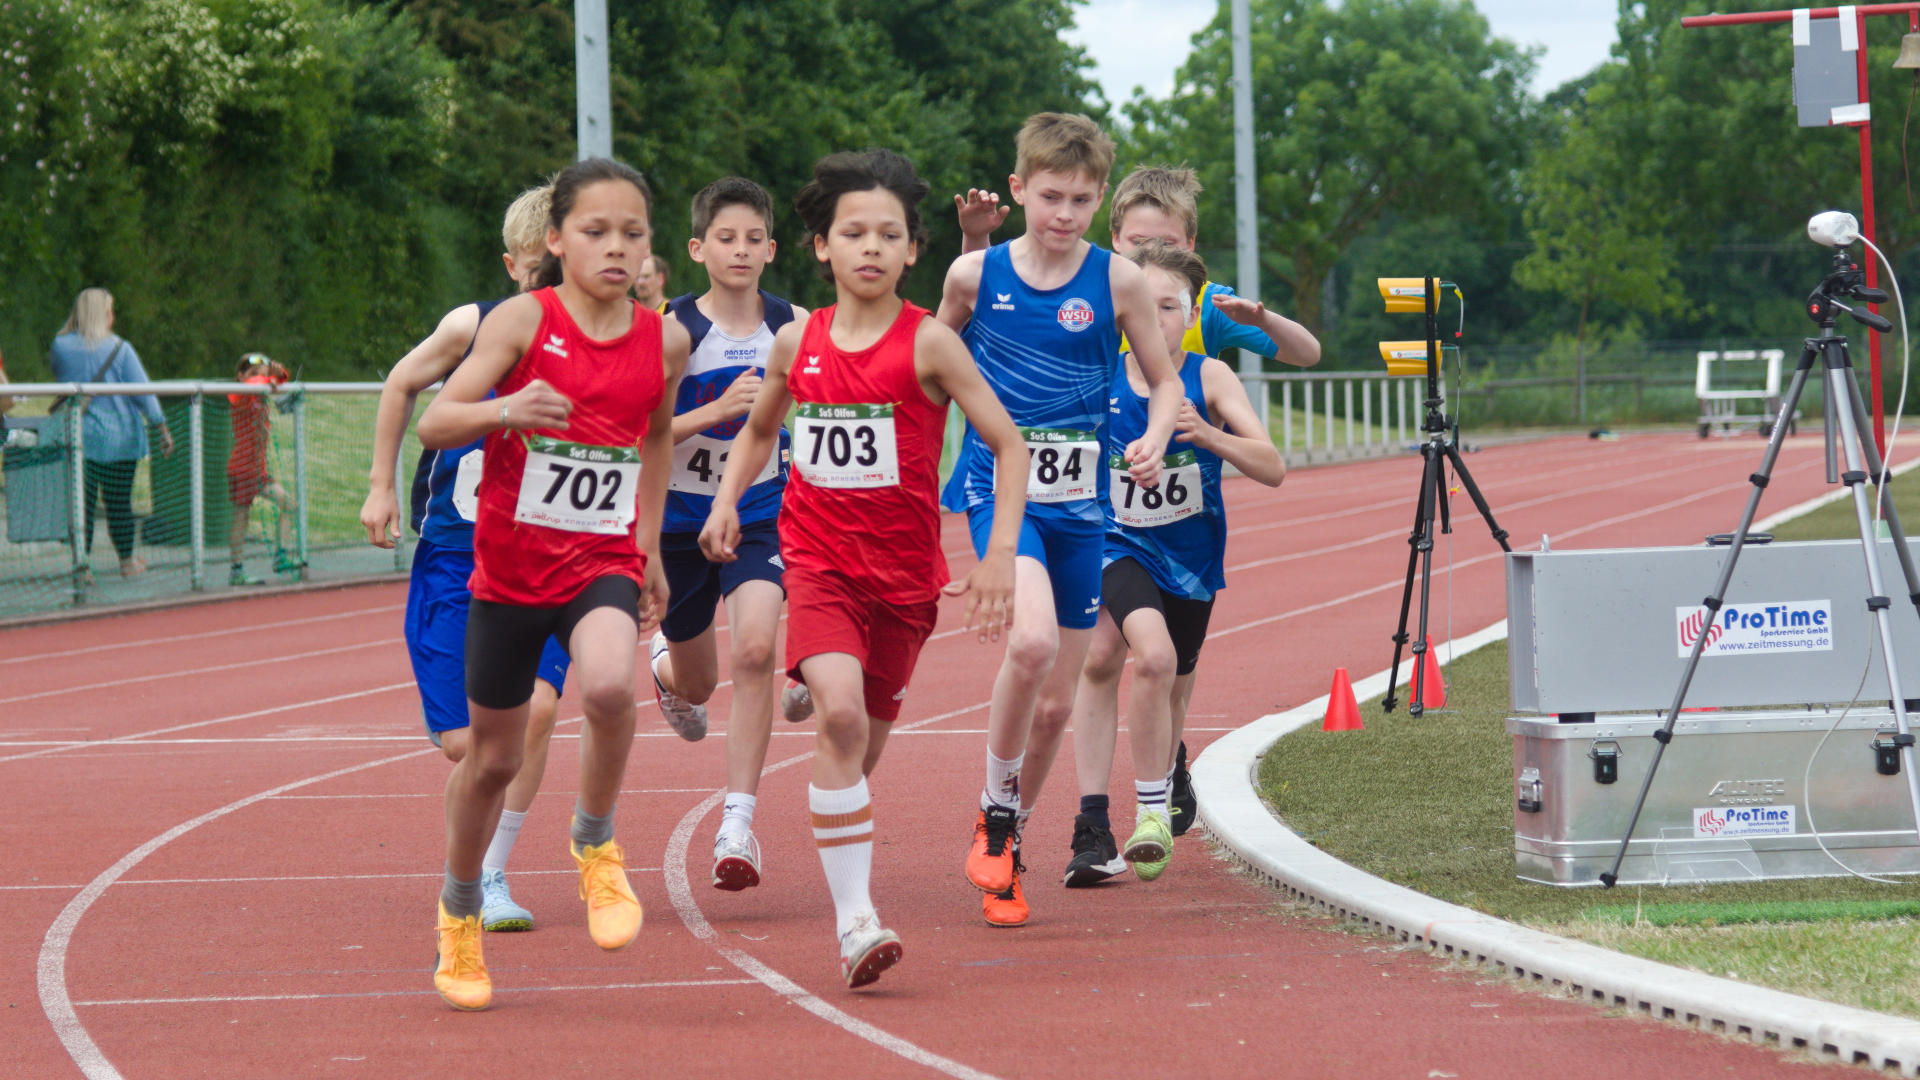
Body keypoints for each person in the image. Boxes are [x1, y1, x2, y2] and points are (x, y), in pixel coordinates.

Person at [700, 148, 1024, 988]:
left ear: (914, 250)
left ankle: (832, 803)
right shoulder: (794, 340)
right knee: (840, 718)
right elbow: (763, 430)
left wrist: (995, 558)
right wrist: (728, 499)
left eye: (889, 234)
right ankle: (855, 923)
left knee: (859, 746)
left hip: (906, 583)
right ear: (820, 246)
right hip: (815, 564)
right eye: (854, 233)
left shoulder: (932, 346)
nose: (871, 247)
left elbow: (1009, 444)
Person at [959, 163, 1318, 837]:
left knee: (1171, 674)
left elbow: (1303, 354)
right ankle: (1095, 815)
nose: (1149, 259)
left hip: (1185, 533)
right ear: (1114, 236)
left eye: (1168, 243)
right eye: (1135, 241)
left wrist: (1257, 323)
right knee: (1103, 657)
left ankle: (1166, 761)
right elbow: (989, 317)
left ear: (1187, 253)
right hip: (1099, 517)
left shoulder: (1201, 311)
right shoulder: (1086, 292)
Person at [416, 157, 686, 1012]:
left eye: (633, 234)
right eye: (597, 231)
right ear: (558, 240)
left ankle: (595, 847)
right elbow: (433, 420)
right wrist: (506, 409)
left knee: (609, 685)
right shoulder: (521, 324)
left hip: (598, 561)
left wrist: (647, 548)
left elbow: (654, 442)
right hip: (507, 573)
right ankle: (459, 912)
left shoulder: (662, 338)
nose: (617, 248)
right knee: (492, 761)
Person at [936, 112, 1182, 928]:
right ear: (1018, 188)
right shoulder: (975, 277)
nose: (1064, 214)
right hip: (999, 493)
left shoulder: (1118, 282)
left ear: (1100, 196)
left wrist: (1149, 434)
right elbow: (929, 368)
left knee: (1055, 704)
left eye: (1080, 199)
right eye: (1049, 197)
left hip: (1083, 507)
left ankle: (1005, 843)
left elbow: (1166, 378)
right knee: (1033, 644)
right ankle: (993, 812)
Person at [358, 184, 573, 934]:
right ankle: (467, 858)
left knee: (539, 709)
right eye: (537, 264)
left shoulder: (604, 335)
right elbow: (400, 384)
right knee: (470, 746)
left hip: (546, 555)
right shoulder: (472, 325)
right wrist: (381, 486)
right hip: (458, 554)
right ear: (514, 264)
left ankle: (488, 873)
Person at [1063, 242, 1287, 886]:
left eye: (1172, 307)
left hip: (1190, 563)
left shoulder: (1210, 376)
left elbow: (1272, 467)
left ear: (1191, 316)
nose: (1158, 318)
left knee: (1175, 678)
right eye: (1146, 305)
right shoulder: (1098, 371)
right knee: (1147, 657)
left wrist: (1206, 434)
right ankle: (1142, 815)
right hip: (1114, 543)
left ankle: (1145, 804)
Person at [647, 177, 804, 891]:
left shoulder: (795, 326)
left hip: (762, 509)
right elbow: (633, 434)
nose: (739, 251)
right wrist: (711, 415)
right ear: (698, 247)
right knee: (702, 684)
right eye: (725, 238)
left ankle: (736, 823)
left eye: (752, 239)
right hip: (680, 516)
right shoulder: (670, 331)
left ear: (771, 249)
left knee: (755, 648)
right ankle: (665, 671)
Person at [49, 288, 173, 578]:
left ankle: (82, 566)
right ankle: (127, 562)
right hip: (121, 439)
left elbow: (59, 376)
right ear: (105, 314)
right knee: (119, 503)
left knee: (83, 505)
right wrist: (161, 427)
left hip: (81, 437)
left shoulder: (61, 346)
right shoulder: (121, 349)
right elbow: (144, 392)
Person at [225, 354, 299, 586]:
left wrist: (278, 375)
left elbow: (281, 380)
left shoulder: (262, 389)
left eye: (262, 372)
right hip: (242, 468)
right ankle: (236, 571)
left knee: (289, 504)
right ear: (240, 376)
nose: (260, 377)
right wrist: (268, 377)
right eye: (253, 372)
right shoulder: (240, 393)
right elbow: (256, 384)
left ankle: (281, 556)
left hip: (259, 470)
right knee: (241, 517)